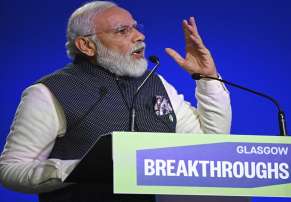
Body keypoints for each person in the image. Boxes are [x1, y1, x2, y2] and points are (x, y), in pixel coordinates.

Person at [0, 1, 231, 202]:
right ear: (86, 45)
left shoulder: (156, 83)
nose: (139, 36)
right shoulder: (48, 92)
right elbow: (11, 170)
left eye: (135, 27)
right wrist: (82, 169)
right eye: (122, 30)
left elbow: (210, 150)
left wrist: (207, 78)